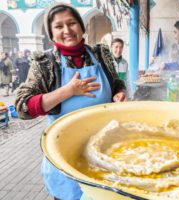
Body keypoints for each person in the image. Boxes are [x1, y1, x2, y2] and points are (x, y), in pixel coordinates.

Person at [15, 3, 126, 200]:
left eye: (72, 23)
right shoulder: (45, 64)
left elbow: (116, 82)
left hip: (105, 151)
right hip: (64, 155)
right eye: (58, 26)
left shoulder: (101, 54)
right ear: (51, 33)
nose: (67, 30)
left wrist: (119, 93)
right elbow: (23, 106)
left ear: (81, 27)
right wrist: (68, 91)